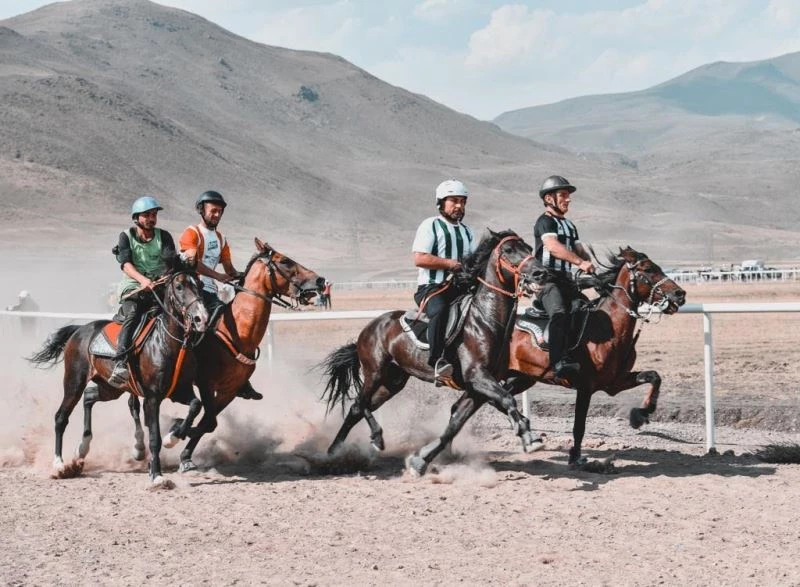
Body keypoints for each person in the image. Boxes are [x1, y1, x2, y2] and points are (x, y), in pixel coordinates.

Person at [178, 190, 263, 401]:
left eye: (220, 211)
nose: (216, 214)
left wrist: (248, 277)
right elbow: (193, 263)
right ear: (201, 210)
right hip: (192, 291)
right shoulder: (191, 233)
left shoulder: (221, 238)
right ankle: (183, 370)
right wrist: (217, 276)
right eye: (213, 210)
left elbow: (229, 269)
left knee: (233, 325)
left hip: (211, 292)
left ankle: (240, 378)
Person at [108, 196, 177, 386]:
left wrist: (163, 277)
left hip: (159, 286)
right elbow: (126, 264)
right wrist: (143, 280)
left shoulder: (164, 236)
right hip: (134, 286)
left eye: (154, 215)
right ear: (136, 218)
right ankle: (120, 361)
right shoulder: (126, 236)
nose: (151, 218)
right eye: (147, 215)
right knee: (133, 313)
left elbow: (170, 262)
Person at [412, 179, 475, 385]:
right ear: (441, 203)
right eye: (453, 201)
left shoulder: (467, 231)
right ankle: (437, 361)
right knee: (439, 310)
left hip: (460, 288)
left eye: (462, 201)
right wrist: (449, 264)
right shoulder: (430, 225)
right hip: (432, 288)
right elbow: (419, 258)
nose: (459, 206)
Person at [532, 175, 595, 382]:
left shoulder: (569, 225)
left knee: (585, 309)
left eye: (568, 196)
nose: (568, 199)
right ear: (549, 198)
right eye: (564, 195)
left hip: (567, 281)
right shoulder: (545, 222)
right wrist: (580, 263)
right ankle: (557, 362)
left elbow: (578, 249)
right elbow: (553, 248)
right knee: (559, 312)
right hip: (547, 282)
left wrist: (591, 262)